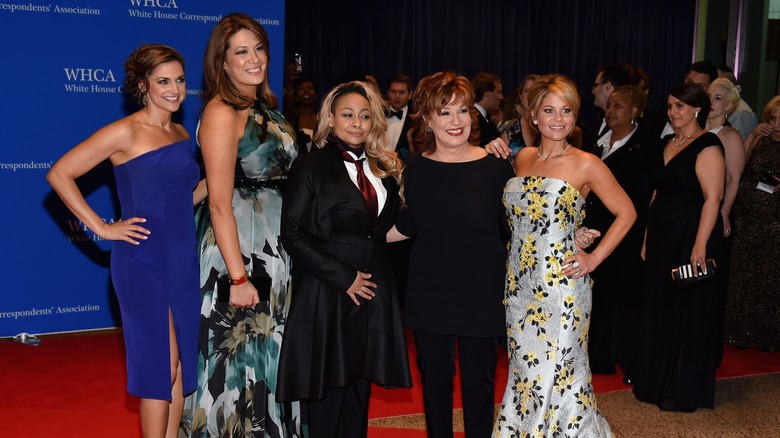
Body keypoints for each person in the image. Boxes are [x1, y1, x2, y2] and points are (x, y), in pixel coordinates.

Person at [47, 44, 203, 438]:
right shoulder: (125, 131)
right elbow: (60, 173)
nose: (174, 89)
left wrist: (223, 183)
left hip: (182, 257)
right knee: (160, 367)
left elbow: (181, 198)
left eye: (180, 80)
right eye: (163, 81)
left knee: (182, 364)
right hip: (142, 258)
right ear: (143, 85)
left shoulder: (181, 132)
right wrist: (102, 227)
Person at [179, 13, 303, 437]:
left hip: (274, 247)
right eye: (241, 52)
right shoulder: (221, 110)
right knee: (237, 357)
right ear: (223, 62)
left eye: (259, 48)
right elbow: (217, 202)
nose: (254, 59)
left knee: (268, 352)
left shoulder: (265, 107)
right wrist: (238, 276)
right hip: (240, 248)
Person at [493, 74, 634, 437]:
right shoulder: (522, 158)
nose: (559, 118)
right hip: (520, 286)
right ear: (533, 116)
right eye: (549, 110)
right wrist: (573, 231)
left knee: (561, 374)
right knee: (526, 374)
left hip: (562, 288)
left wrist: (593, 258)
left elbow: (627, 212)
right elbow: (531, 216)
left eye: (567, 110)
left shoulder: (586, 163)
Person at [276, 81, 411, 438]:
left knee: (358, 394)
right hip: (328, 293)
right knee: (327, 396)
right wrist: (344, 277)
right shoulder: (309, 166)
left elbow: (382, 231)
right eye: (348, 114)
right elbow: (292, 234)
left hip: (372, 296)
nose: (357, 123)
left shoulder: (383, 168)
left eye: (365, 116)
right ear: (330, 118)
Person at [385, 71, 514, 438]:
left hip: (481, 291)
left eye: (463, 111)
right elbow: (409, 224)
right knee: (435, 386)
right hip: (430, 291)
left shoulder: (496, 167)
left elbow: (516, 229)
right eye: (444, 113)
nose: (455, 122)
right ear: (426, 118)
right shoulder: (415, 169)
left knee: (479, 385)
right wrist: (353, 242)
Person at [634, 82, 725, 412]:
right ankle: (655, 382)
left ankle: (680, 387)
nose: (673, 112)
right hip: (661, 234)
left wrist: (700, 244)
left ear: (697, 109)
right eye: (670, 106)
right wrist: (646, 237)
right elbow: (656, 193)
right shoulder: (665, 142)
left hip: (690, 232)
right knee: (658, 306)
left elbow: (713, 199)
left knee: (684, 309)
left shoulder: (709, 146)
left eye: (680, 107)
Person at [584, 85, 653, 383]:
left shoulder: (647, 147)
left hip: (627, 231)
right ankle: (598, 357)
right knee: (597, 295)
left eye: (619, 106)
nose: (611, 111)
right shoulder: (596, 142)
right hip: (594, 230)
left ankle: (629, 362)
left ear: (636, 111)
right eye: (609, 105)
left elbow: (647, 195)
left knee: (626, 299)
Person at [725, 96, 780, 351]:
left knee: (769, 274)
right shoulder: (760, 137)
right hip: (747, 214)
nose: (777, 124)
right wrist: (752, 135)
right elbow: (740, 166)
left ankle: (765, 333)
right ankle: (738, 330)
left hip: (775, 219)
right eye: (773, 118)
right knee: (743, 270)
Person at [499, 74, 539, 162]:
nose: (530, 95)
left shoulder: (548, 128)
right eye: (527, 91)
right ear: (520, 96)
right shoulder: (509, 127)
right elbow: (502, 161)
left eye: (535, 91)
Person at [385, 73, 414, 158]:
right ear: (388, 93)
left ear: (410, 95)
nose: (397, 96)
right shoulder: (377, 116)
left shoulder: (416, 120)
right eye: (393, 92)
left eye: (401, 92)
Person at [471, 72, 504, 146]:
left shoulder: (481, 117)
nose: (501, 97)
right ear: (487, 94)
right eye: (498, 92)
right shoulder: (473, 118)